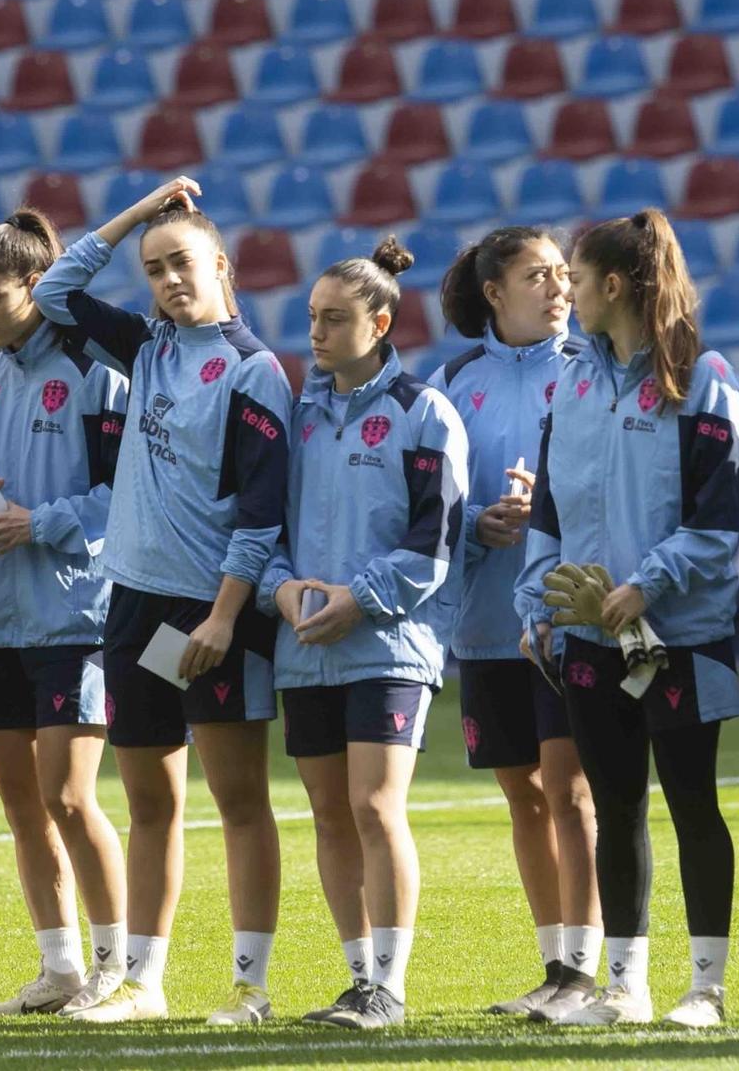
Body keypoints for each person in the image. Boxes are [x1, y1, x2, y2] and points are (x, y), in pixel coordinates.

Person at [33, 176, 290, 1025]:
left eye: (182, 262)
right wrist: (141, 213)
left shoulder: (254, 370)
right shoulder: (144, 347)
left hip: (212, 614)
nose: (169, 280)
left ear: (220, 265)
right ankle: (144, 981)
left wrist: (222, 615)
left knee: (239, 800)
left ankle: (250, 986)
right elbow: (54, 291)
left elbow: (260, 516)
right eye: (154, 268)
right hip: (134, 606)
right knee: (150, 803)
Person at [515, 210, 739, 1028]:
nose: (567, 294)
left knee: (691, 801)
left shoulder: (703, 375)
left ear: (612, 286)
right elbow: (549, 502)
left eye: (575, 280)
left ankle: (706, 988)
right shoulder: (573, 378)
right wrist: (534, 597)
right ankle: (625, 986)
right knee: (616, 805)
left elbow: (720, 523)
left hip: (677, 636)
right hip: (586, 636)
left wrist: (646, 585)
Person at [265, 237, 467, 1030]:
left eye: (336, 318)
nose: (316, 333)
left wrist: (359, 598)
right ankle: (357, 980)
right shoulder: (297, 414)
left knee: (376, 806)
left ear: (381, 321)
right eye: (312, 318)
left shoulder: (425, 413)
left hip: (389, 643)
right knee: (328, 814)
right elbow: (266, 522)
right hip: (305, 646)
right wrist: (282, 589)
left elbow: (435, 543)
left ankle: (390, 984)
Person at [0, 211, 131, 1018]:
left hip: (77, 615)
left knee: (69, 796)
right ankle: (59, 967)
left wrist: (38, 522)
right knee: (23, 803)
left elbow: (126, 496)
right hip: (1, 618)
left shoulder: (97, 370)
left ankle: (114, 965)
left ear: (36, 284)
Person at [427, 227, 602, 1021]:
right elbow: (428, 504)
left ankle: (585, 970)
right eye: (539, 275)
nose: (559, 286)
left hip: (567, 618)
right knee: (522, 793)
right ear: (495, 293)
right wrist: (479, 526)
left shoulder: (592, 366)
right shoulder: (453, 380)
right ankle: (552, 963)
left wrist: (554, 507)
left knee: (570, 792)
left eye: (563, 273)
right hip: (485, 622)